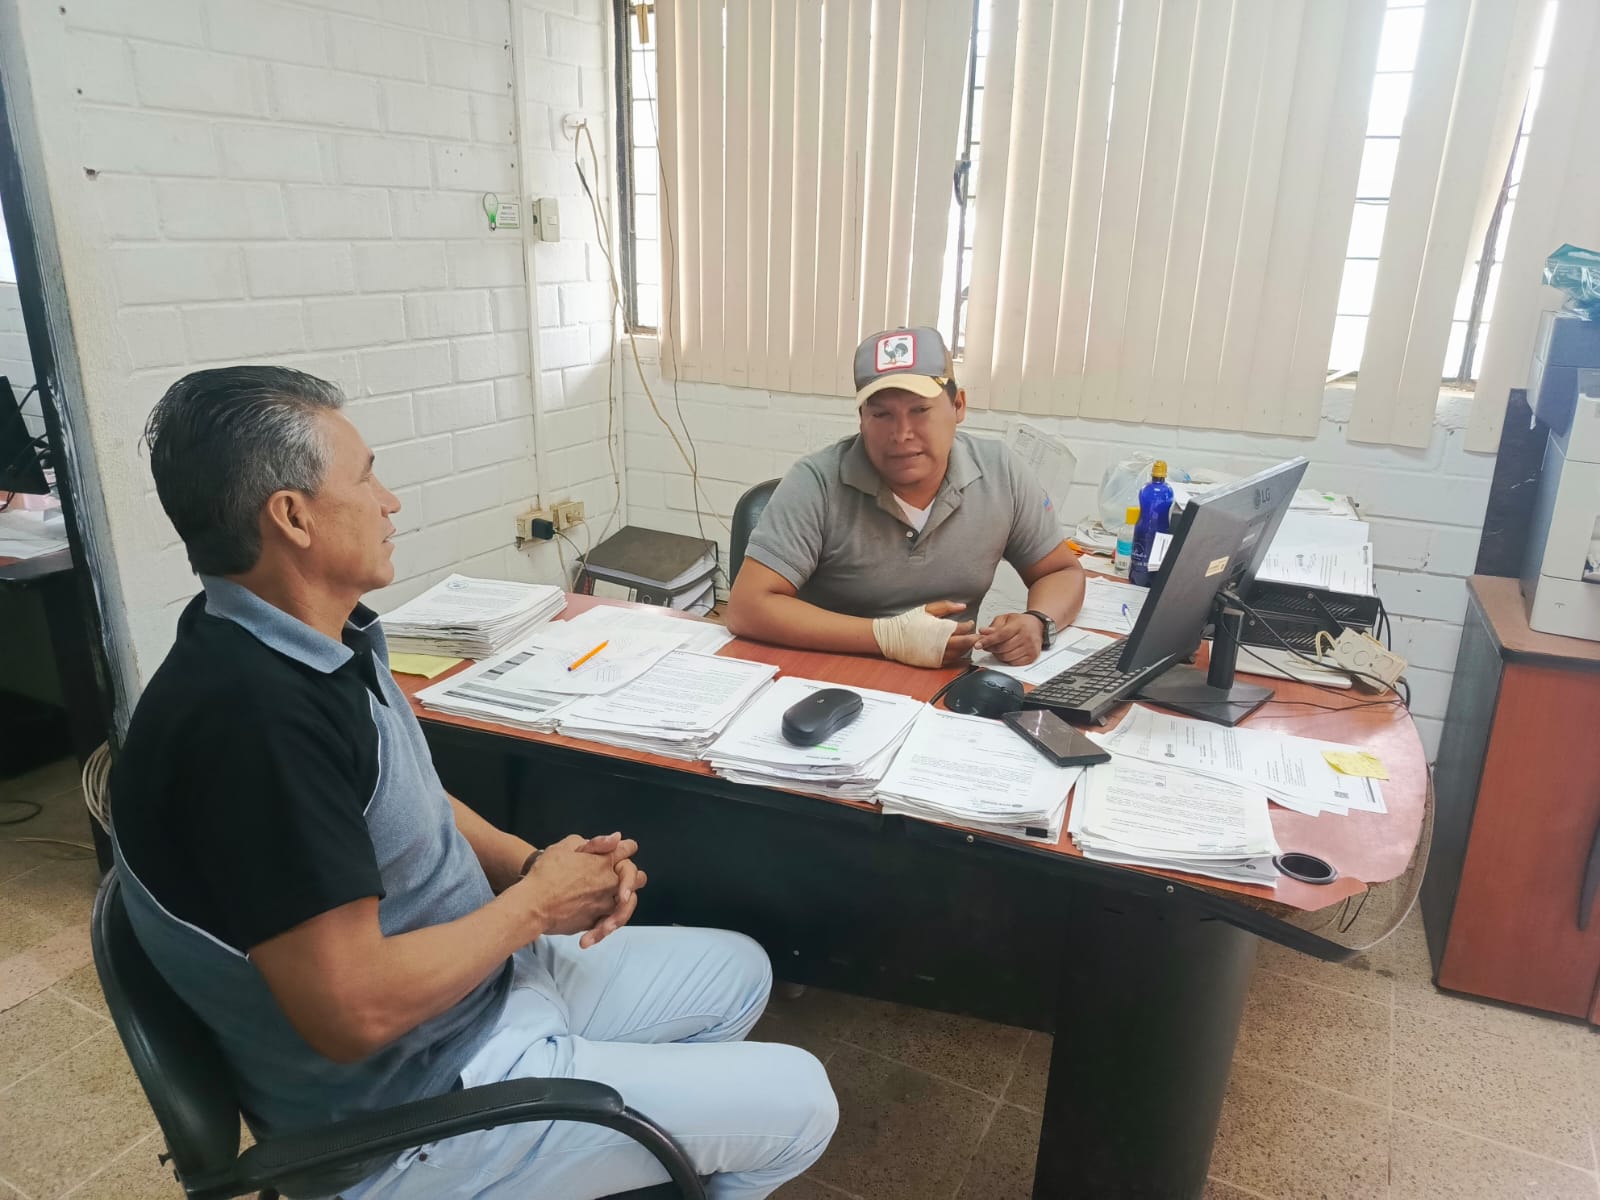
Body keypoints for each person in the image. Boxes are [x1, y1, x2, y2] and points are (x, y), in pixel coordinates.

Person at [110, 367, 837, 1200]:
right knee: (802, 1102)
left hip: (481, 991)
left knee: (740, 970)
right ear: (293, 517)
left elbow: (407, 802)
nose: (390, 502)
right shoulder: (255, 727)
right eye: (366, 478)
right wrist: (534, 908)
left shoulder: (304, 641)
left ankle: (608, 1142)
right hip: (420, 1106)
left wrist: (534, 866)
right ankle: (574, 1131)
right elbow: (351, 1014)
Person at [725, 326, 1085, 668]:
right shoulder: (817, 482)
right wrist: (888, 638)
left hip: (947, 686)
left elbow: (1061, 571)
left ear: (958, 405)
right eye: (881, 414)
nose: (901, 434)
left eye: (920, 410)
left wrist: (1038, 621)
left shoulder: (1000, 472)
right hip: (831, 676)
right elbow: (746, 607)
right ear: (861, 418)